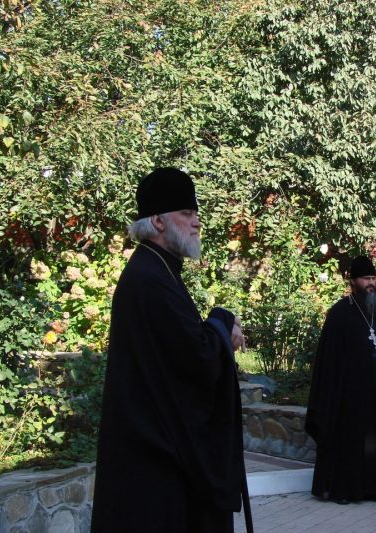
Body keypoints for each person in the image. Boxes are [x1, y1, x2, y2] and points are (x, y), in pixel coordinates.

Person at [91, 168, 246, 532]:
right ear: (158, 221)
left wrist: (217, 326)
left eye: (195, 214)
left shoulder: (156, 270)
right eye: (186, 214)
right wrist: (223, 324)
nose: (197, 223)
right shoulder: (150, 278)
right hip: (154, 459)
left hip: (153, 450)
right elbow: (196, 358)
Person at [305, 255, 376, 504]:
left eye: (373, 278)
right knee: (351, 441)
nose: (371, 283)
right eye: (365, 279)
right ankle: (347, 489)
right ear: (353, 281)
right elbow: (328, 362)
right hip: (350, 395)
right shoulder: (339, 314)